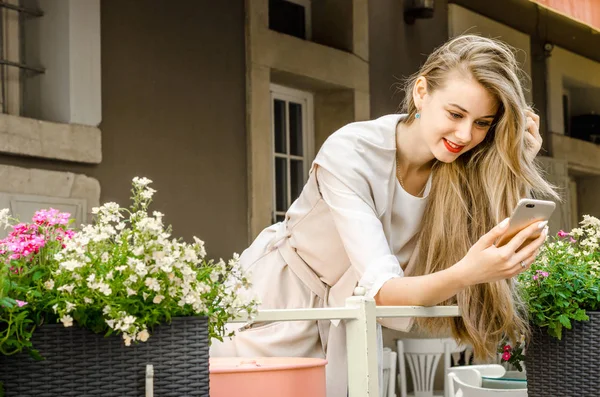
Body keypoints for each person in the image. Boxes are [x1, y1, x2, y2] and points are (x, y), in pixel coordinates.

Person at [210, 34, 558, 397]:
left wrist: (516, 165)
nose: (465, 134)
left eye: (483, 123)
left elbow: (488, 248)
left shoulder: (457, 169)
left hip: (350, 321)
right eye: (455, 114)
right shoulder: (351, 152)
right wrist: (468, 272)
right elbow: (383, 289)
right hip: (276, 308)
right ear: (421, 92)